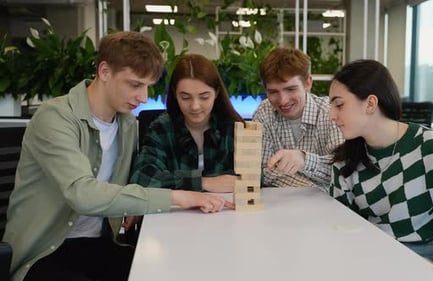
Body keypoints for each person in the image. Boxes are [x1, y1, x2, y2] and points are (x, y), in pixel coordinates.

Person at [2, 31, 232, 281]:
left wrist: (133, 199)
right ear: (104, 71)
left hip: (99, 244)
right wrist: (181, 196)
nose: (143, 97)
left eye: (147, 87)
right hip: (45, 252)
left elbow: (134, 181)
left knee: (173, 270)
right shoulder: (55, 117)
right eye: (134, 84)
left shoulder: (127, 124)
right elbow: (83, 195)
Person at [328, 59, 433, 278]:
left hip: (427, 261)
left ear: (370, 104)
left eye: (339, 105)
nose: (331, 115)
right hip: (372, 260)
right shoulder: (345, 161)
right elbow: (341, 228)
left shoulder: (432, 148)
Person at [129, 54, 244, 192]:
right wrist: (203, 182)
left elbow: (254, 175)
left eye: (204, 97)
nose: (195, 106)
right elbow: (142, 178)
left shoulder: (232, 127)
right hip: (175, 212)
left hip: (226, 211)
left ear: (217, 93)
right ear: (175, 94)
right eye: (185, 97)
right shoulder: (161, 129)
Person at [253, 47, 343, 190]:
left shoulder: (330, 112)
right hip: (283, 203)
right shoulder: (264, 112)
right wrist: (313, 188)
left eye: (290, 89)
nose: (283, 100)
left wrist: (304, 159)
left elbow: (342, 171)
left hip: (329, 208)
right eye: (273, 92)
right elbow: (262, 171)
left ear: (308, 83)